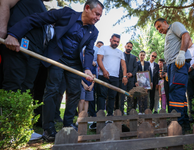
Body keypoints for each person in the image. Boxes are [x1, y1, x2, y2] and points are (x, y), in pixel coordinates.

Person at [4, 0, 104, 141]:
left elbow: (89, 51)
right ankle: (48, 128)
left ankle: (68, 124)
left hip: (75, 62)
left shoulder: (94, 31)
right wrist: (14, 33)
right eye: (97, 14)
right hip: (57, 57)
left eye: (100, 16)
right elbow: (37, 18)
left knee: (75, 91)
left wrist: (87, 68)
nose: (98, 18)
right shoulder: (66, 13)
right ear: (87, 8)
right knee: (53, 89)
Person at [0, 0, 51, 141]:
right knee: (13, 85)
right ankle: (8, 129)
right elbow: (4, 2)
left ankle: (22, 128)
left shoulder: (41, 5)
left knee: (27, 88)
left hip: (33, 52)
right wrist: (3, 31)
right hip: (15, 45)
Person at [154, 18, 192, 134]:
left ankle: (177, 125)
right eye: (157, 29)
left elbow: (186, 35)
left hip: (178, 63)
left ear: (166, 22)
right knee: (178, 93)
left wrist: (181, 53)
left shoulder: (175, 25)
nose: (159, 30)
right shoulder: (168, 35)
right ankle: (184, 123)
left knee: (176, 92)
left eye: (160, 26)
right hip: (172, 66)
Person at [97, 34, 128, 116]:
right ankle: (100, 115)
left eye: (117, 42)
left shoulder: (120, 52)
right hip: (103, 75)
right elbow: (99, 59)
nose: (116, 43)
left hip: (115, 77)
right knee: (101, 96)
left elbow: (123, 65)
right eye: (114, 41)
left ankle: (110, 115)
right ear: (110, 40)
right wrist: (104, 70)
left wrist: (124, 76)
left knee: (112, 96)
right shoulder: (103, 48)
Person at [117, 42, 138, 115]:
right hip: (122, 78)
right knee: (122, 95)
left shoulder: (133, 57)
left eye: (131, 47)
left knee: (130, 95)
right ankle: (121, 112)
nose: (129, 48)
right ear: (125, 46)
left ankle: (129, 112)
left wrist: (132, 74)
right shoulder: (121, 55)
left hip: (131, 80)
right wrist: (124, 74)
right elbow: (119, 66)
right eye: (128, 46)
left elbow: (136, 67)